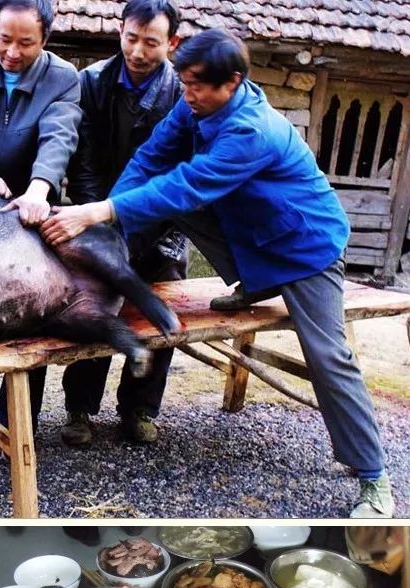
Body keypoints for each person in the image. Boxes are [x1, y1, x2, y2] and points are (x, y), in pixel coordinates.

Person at [41, 29, 394, 518]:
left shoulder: (251, 130)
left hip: (304, 246)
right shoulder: (195, 102)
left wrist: (98, 212)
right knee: (167, 196)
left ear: (232, 82)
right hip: (255, 230)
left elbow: (185, 185)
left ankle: (374, 477)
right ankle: (256, 281)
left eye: (198, 87)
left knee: (328, 356)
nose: (187, 95)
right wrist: (109, 230)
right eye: (183, 84)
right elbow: (153, 158)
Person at [59, 0, 185, 448]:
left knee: (160, 318)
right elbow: (83, 158)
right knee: (92, 306)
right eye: (131, 38)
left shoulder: (181, 93)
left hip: (163, 226)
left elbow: (181, 175)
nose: (137, 50)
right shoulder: (91, 82)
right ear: (120, 32)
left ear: (171, 43)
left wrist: (140, 228)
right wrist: (100, 222)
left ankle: (140, 409)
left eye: (150, 42)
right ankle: (79, 408)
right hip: (98, 219)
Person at [0, 0, 80, 430]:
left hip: (30, 204)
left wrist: (40, 188)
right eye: (3, 39)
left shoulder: (63, 77)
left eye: (26, 43)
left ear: (44, 40)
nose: (11, 51)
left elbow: (59, 136)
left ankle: (21, 416)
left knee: (33, 301)